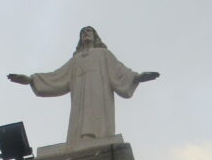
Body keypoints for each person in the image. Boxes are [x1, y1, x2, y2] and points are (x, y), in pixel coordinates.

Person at [8, 26, 159, 145]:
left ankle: (98, 138)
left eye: (89, 31)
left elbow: (119, 71)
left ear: (95, 36)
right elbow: (57, 76)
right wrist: (31, 80)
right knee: (80, 120)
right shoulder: (76, 60)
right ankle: (80, 140)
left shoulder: (103, 54)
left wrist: (137, 77)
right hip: (80, 101)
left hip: (99, 95)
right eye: (83, 32)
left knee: (96, 116)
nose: (85, 33)